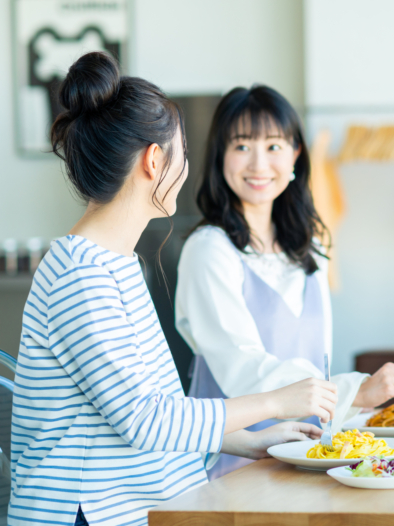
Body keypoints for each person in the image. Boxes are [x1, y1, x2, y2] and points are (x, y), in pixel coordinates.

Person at [9, 52, 337, 526]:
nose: (186, 167)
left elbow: (157, 407)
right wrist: (275, 401)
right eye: (183, 152)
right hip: (91, 514)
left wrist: (244, 439)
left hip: (145, 505)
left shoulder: (118, 263)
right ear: (154, 160)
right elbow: (144, 420)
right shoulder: (77, 273)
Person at [174, 85, 394, 479]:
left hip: (306, 456)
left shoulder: (310, 248)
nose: (259, 163)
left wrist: (346, 407)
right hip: (233, 466)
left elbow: (319, 360)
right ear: (220, 157)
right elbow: (243, 368)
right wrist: (356, 391)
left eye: (274, 146)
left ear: (296, 154)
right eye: (242, 146)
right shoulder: (209, 250)